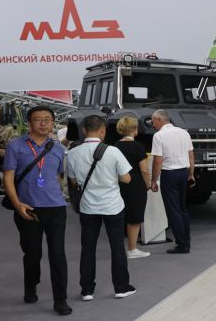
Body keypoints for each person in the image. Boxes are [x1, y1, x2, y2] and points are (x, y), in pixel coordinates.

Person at [3, 106, 71, 315]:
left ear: (53, 123)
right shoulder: (16, 146)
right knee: (32, 254)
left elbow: (58, 176)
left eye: (47, 120)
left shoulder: (58, 148)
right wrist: (17, 204)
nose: (43, 123)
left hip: (56, 208)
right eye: (38, 119)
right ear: (30, 123)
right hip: (28, 209)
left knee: (58, 254)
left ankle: (60, 299)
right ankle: (30, 287)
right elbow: (8, 177)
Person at [66, 115, 136, 301]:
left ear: (84, 130)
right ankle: (121, 287)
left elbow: (73, 181)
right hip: (112, 206)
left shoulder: (73, 153)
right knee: (117, 247)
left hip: (88, 207)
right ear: (103, 131)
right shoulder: (113, 151)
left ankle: (87, 290)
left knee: (88, 248)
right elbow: (126, 179)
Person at [149, 109, 194, 254]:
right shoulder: (184, 133)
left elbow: (158, 161)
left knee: (173, 210)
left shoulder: (159, 136)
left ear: (159, 120)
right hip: (183, 173)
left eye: (153, 121)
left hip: (169, 174)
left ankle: (182, 245)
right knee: (182, 209)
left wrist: (153, 180)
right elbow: (191, 155)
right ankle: (186, 241)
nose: (153, 125)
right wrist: (191, 173)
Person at [113, 116, 150, 259]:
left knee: (120, 216)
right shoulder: (138, 146)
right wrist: (148, 184)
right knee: (135, 218)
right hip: (136, 185)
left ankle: (118, 249)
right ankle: (132, 249)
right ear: (134, 129)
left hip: (119, 184)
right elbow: (144, 170)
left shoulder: (115, 146)